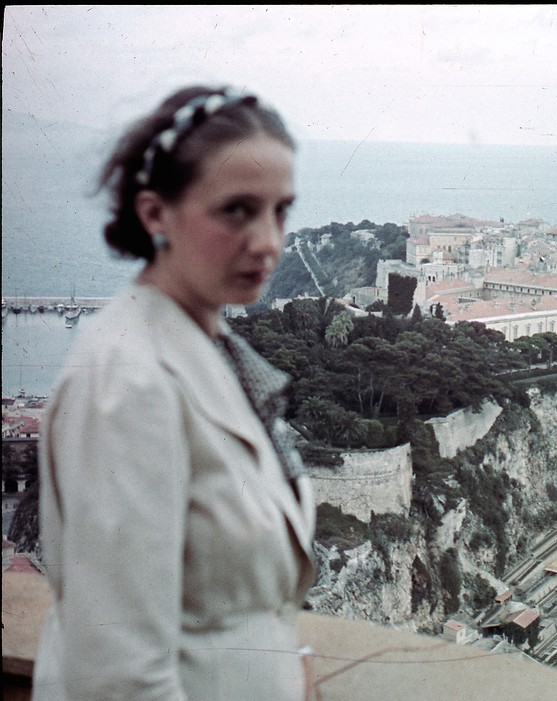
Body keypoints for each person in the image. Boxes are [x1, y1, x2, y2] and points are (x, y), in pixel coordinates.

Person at [33, 86, 317, 700]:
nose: (269, 241)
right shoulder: (128, 380)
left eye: (280, 211)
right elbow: (120, 677)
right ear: (155, 213)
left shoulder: (210, 347)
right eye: (237, 210)